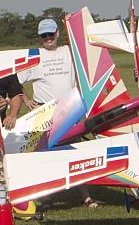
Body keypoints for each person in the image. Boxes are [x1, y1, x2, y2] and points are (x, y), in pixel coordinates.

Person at [25, 15, 97, 206]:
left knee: (75, 153)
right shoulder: (34, 57)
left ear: (57, 33)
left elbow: (84, 43)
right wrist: (27, 100)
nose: (48, 38)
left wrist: (73, 23)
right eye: (44, 35)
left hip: (69, 111)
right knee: (46, 156)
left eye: (51, 34)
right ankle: (47, 197)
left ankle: (86, 197)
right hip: (44, 113)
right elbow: (16, 81)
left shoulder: (69, 51)